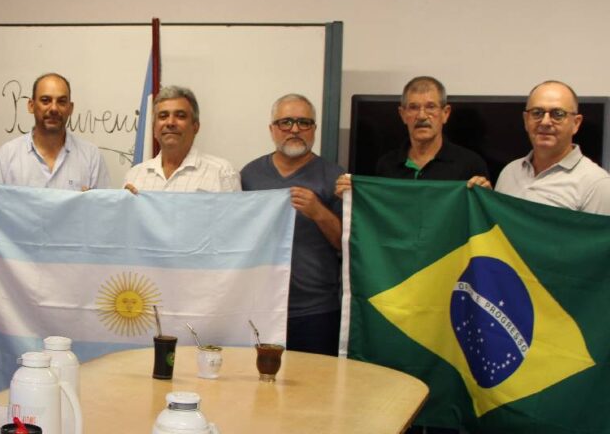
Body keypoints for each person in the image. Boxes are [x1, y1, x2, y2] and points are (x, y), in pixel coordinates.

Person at [241, 94, 344, 355]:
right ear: (272, 129)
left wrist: (319, 212)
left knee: (315, 379)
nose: (295, 129)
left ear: (314, 129)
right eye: (286, 122)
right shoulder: (249, 175)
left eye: (304, 122)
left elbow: (347, 245)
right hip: (260, 306)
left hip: (316, 310)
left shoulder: (335, 176)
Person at [336, 75, 489, 195]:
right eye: (414, 108)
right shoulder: (386, 165)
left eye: (430, 107)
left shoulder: (470, 164)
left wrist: (486, 196)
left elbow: (483, 219)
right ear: (403, 114)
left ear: (445, 113)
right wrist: (352, 195)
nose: (421, 116)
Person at [495, 80, 610, 214]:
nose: (545, 122)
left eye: (558, 114)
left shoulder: (597, 184)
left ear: (576, 123)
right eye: (537, 112)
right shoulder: (509, 172)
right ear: (526, 120)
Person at [0, 72, 110, 190]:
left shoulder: (91, 157)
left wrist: (91, 200)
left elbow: (103, 203)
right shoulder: (6, 157)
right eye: (45, 100)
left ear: (70, 108)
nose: (54, 108)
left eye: (61, 101)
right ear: (31, 106)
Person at [124, 85, 240, 192]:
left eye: (180, 116)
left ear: (195, 127)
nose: (170, 123)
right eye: (163, 116)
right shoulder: (135, 176)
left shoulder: (222, 173)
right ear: (154, 129)